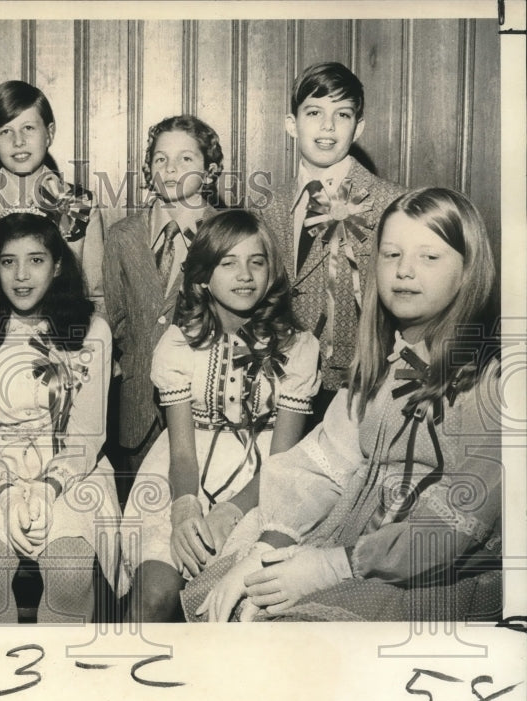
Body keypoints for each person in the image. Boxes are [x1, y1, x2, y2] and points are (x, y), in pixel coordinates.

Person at [185, 188, 502, 622]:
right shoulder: (380, 364)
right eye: (391, 255)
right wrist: (268, 550)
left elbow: (451, 527)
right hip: (347, 537)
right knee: (238, 605)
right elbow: (323, 466)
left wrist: (331, 566)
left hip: (425, 568)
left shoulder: (493, 381)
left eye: (430, 257)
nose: (405, 271)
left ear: (468, 270)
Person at [122, 210, 319, 621]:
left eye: (256, 262)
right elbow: (181, 452)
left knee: (235, 605)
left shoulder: (299, 348)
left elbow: (284, 464)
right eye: (227, 262)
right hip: (182, 474)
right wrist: (185, 508)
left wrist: (231, 512)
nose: (244, 274)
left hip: (263, 487)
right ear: (202, 277)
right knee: (154, 592)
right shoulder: (178, 345)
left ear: (271, 273)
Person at [0, 212, 122, 623]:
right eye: (7, 261)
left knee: (71, 570)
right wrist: (7, 491)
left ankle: (61, 680)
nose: (21, 275)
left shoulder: (92, 330)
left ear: (58, 266)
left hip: (72, 468)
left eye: (35, 260)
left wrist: (49, 489)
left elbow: (87, 433)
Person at [256, 61, 406, 420]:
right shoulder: (266, 208)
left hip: (358, 392)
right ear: (291, 125)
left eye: (342, 114)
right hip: (276, 388)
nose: (327, 126)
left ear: (358, 128)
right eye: (314, 112)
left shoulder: (390, 204)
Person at [0, 80, 106, 371]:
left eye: (29, 128)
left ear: (49, 133)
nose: (18, 142)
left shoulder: (79, 204)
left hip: (64, 356)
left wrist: (94, 354)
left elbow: (97, 297)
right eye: (5, 131)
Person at [103, 114, 225, 475]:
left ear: (211, 170)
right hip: (136, 410)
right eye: (160, 159)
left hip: (202, 405)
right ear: (148, 168)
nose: (171, 169)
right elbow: (115, 320)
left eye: (186, 159)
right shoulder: (122, 236)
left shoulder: (225, 236)